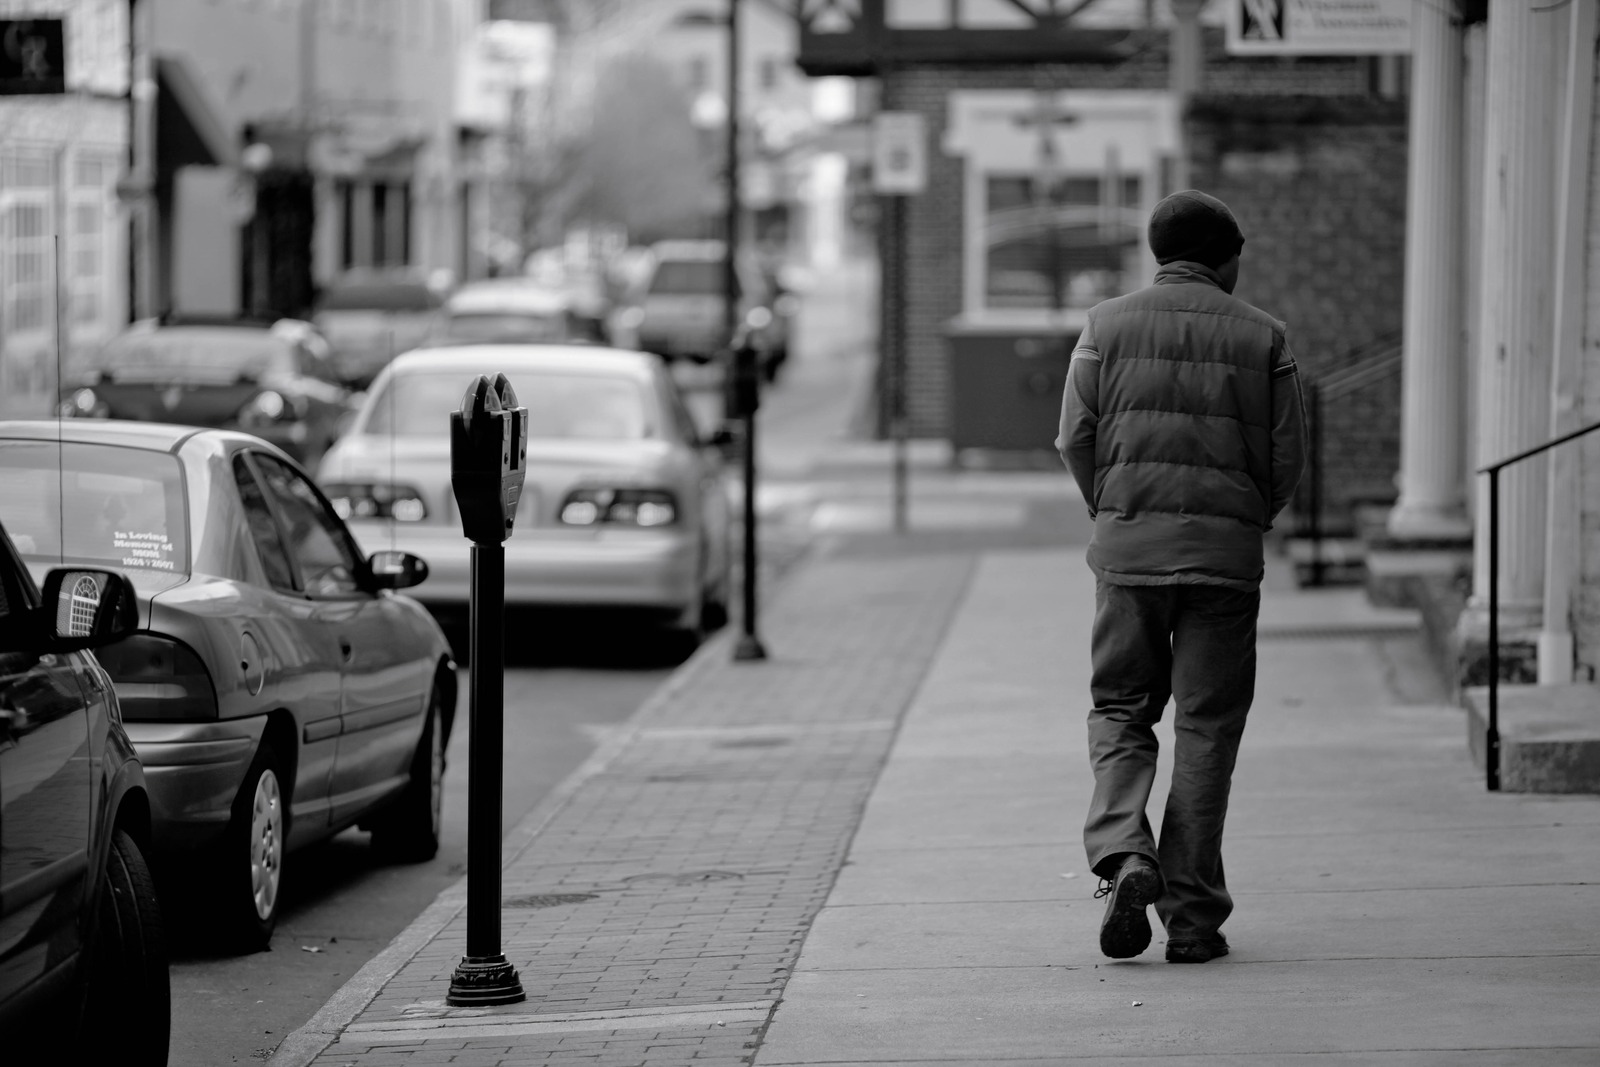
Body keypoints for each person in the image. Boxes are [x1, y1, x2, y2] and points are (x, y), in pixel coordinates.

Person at [1056, 189, 1308, 964]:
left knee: (1123, 708)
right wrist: (1246, 517)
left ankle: (1128, 853)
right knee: (1206, 728)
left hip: (1129, 556)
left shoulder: (1104, 325)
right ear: (1225, 256)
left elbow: (1073, 437)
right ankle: (1193, 921)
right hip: (1225, 567)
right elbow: (1287, 454)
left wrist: (1117, 507)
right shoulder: (1265, 336)